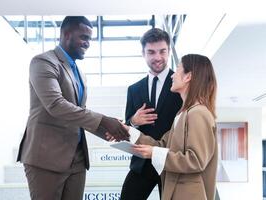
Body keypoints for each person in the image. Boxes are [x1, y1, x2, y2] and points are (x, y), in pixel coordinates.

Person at [16, 16, 129, 200]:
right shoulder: (43, 62)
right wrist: (103, 120)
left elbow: (79, 114)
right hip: (46, 158)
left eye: (89, 39)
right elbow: (56, 105)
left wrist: (107, 131)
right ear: (66, 34)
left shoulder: (79, 73)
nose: (87, 44)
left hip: (76, 160)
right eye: (83, 37)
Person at [130, 54, 218, 200]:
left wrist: (153, 153)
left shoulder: (198, 113)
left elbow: (195, 160)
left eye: (177, 69)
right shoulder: (183, 114)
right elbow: (162, 145)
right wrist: (130, 132)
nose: (172, 76)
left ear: (187, 76)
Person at [120, 28, 182, 200]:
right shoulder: (134, 89)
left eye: (162, 51)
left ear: (169, 51)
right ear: (143, 53)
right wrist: (133, 121)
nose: (157, 57)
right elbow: (127, 126)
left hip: (170, 162)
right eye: (151, 52)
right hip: (142, 163)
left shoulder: (181, 85)